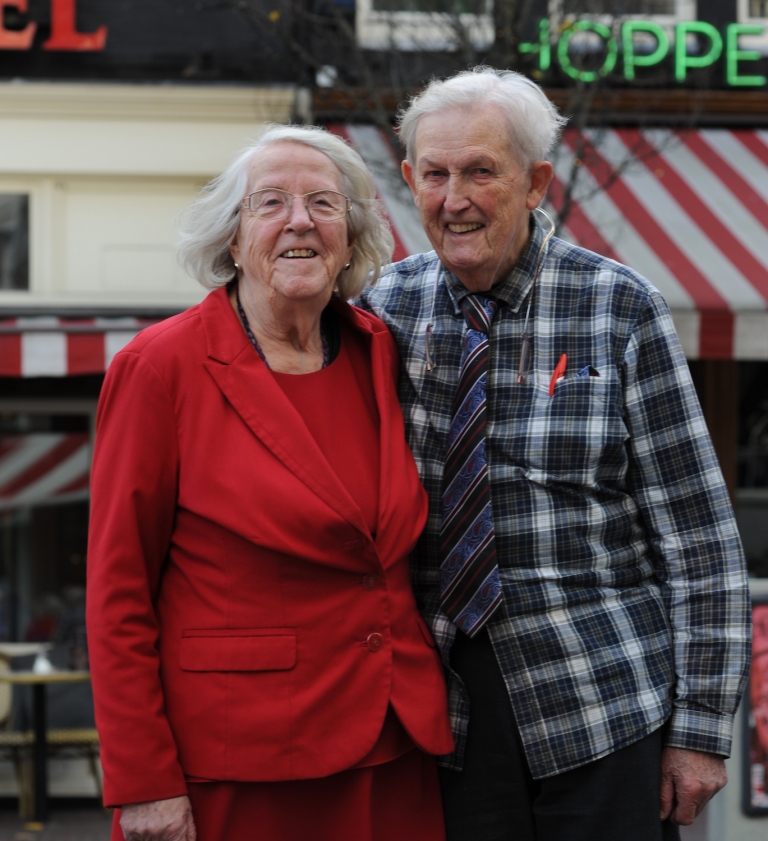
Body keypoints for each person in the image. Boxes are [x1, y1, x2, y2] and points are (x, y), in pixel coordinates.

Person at [358, 67, 752, 841]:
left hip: (604, 700)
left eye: (480, 171)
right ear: (408, 180)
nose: (454, 197)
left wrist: (702, 727)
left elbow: (700, 537)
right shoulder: (382, 310)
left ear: (535, 181)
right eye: (434, 174)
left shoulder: (619, 306)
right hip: (446, 714)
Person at [86, 124, 454, 841]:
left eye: (323, 203)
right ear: (232, 237)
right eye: (270, 203)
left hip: (392, 747)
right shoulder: (160, 368)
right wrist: (144, 781)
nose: (300, 221)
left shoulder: (375, 350)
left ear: (349, 237)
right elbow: (117, 592)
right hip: (239, 760)